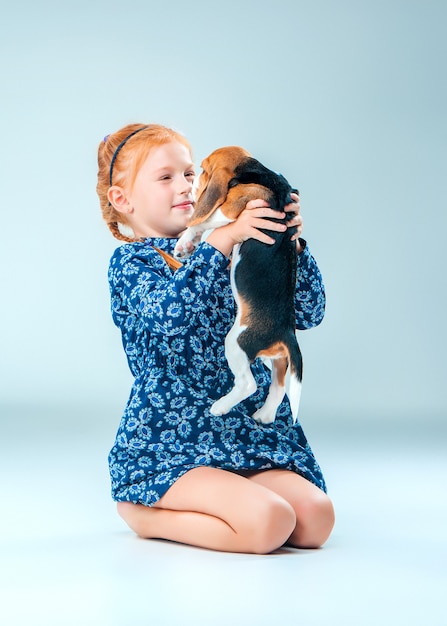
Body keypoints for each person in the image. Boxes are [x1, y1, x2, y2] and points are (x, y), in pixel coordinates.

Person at [96, 123, 335, 554]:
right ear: (123, 200)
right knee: (269, 523)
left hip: (244, 433)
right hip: (174, 438)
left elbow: (308, 313)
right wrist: (220, 241)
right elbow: (173, 316)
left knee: (316, 520)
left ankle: (237, 491)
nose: (186, 185)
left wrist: (289, 246)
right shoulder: (133, 262)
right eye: (165, 177)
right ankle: (144, 510)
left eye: (190, 173)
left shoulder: (234, 247)